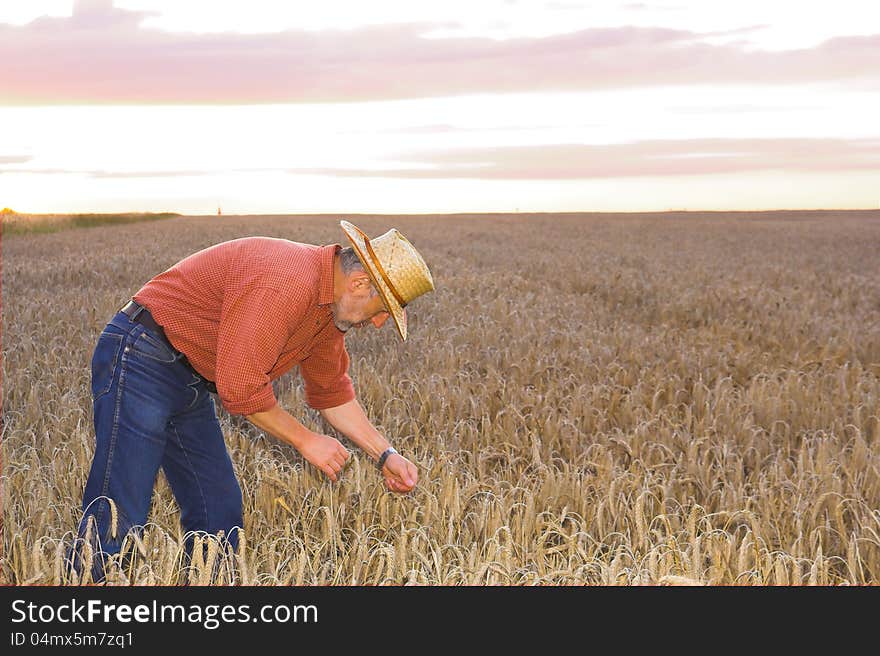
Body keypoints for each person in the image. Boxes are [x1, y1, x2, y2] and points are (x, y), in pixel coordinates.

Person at [71, 220, 435, 581]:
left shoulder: (329, 316)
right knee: (121, 506)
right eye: (383, 308)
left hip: (189, 377)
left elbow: (332, 393)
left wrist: (385, 454)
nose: (378, 323)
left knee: (219, 511)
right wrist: (306, 440)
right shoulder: (286, 283)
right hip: (142, 353)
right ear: (359, 283)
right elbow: (240, 387)